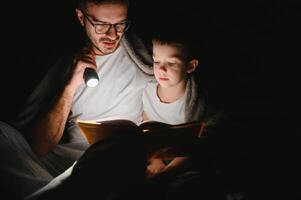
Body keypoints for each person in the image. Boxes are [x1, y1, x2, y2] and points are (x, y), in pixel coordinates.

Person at [0, 0, 155, 199]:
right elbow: (40, 146)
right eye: (101, 25)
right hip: (70, 160)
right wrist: (70, 85)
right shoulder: (67, 61)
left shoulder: (146, 60)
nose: (112, 34)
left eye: (120, 24)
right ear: (81, 18)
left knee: (111, 153)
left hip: (115, 159)